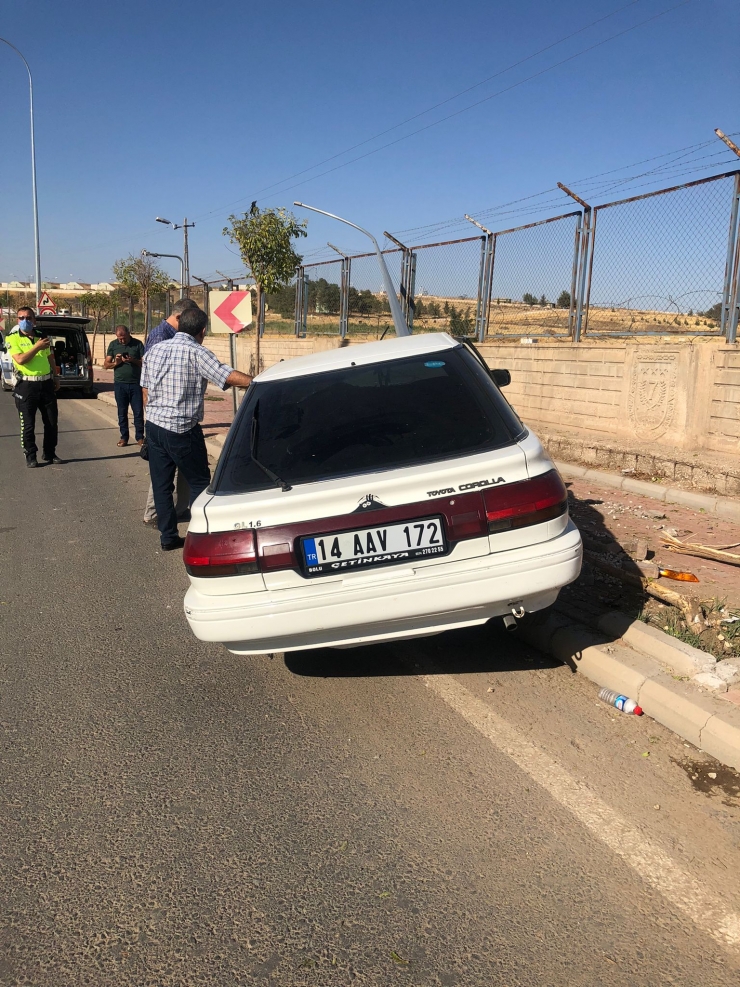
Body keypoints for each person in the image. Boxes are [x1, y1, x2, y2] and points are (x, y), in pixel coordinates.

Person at [141, 305, 253, 550]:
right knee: (200, 483)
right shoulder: (197, 353)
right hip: (181, 430)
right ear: (203, 330)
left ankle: (168, 537)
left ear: (180, 325)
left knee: (161, 485)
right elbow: (226, 375)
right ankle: (200, 538)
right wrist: (257, 383)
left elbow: (145, 389)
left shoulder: (155, 350)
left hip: (155, 427)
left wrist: (148, 423)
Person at [142, 297, 198, 524]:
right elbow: (149, 382)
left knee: (180, 466)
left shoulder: (171, 335)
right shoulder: (160, 338)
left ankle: (179, 509)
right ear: (180, 317)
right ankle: (154, 515)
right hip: (165, 418)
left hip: (177, 416)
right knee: (163, 472)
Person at [4, 306, 62, 468]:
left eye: (28, 318)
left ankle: (49, 452)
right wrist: (36, 347)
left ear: (34, 320)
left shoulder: (41, 336)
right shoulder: (12, 338)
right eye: (21, 318)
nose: (25, 321)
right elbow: (21, 359)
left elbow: (50, 356)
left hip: (45, 383)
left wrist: (55, 376)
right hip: (26, 386)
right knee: (28, 424)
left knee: (51, 422)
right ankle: (30, 455)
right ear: (17, 320)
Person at [104, 324, 145, 447]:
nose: (122, 340)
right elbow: (106, 365)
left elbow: (144, 363)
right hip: (120, 384)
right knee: (122, 412)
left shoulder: (138, 344)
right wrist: (117, 362)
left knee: (138, 412)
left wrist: (133, 360)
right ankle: (124, 437)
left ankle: (140, 437)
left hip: (136, 384)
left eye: (124, 338)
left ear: (128, 333)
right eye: (119, 338)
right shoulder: (113, 345)